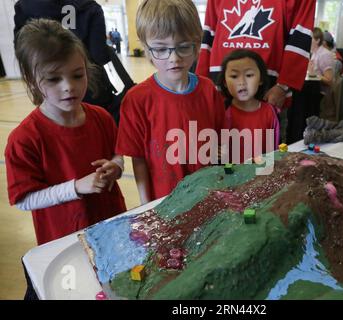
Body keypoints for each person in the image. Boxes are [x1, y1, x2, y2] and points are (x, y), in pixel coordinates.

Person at [6, 19, 127, 245]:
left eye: (77, 75)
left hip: (112, 226)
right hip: (64, 239)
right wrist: (75, 188)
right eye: (53, 79)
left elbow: (117, 154)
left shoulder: (101, 117)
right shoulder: (24, 139)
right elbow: (23, 199)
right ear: (32, 81)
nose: (68, 86)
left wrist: (116, 167)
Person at [116, 0, 225, 204]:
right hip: (163, 201)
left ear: (196, 43)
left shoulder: (208, 90)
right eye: (160, 49)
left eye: (183, 47)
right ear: (147, 49)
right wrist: (145, 204)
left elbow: (219, 143)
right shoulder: (137, 100)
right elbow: (138, 159)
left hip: (207, 195)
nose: (174, 58)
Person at [196, 0, 316, 142]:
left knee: (266, 157)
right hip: (220, 91)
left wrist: (283, 85)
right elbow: (209, 34)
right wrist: (201, 83)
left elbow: (300, 35)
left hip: (267, 93)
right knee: (221, 154)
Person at [13, 0, 134, 124]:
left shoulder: (25, 6)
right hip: (91, 86)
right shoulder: (90, 6)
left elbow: (21, 49)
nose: (68, 87)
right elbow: (99, 54)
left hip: (49, 89)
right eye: (54, 79)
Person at [218, 49, 279, 163]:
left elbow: (273, 151)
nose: (242, 82)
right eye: (234, 76)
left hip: (261, 175)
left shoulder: (269, 112)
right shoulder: (221, 112)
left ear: (260, 79)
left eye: (249, 75)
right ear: (225, 82)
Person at [308, 28, 335, 96]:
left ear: (317, 40)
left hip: (321, 94)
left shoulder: (324, 54)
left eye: (310, 38)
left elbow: (329, 81)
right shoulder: (315, 53)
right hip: (314, 90)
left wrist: (315, 74)